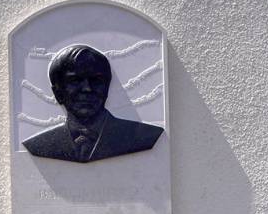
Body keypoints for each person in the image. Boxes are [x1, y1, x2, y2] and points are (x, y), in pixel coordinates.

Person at [22, 43, 165, 163]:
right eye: (75, 81)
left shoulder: (143, 136)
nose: (87, 89)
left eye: (96, 80)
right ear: (58, 93)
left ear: (107, 88)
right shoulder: (40, 145)